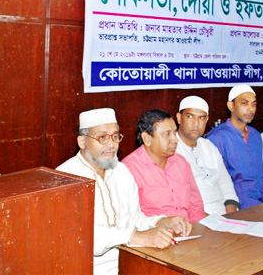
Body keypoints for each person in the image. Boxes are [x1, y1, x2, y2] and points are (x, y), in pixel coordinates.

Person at [56, 108, 191, 275]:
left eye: (115, 136)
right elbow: (79, 235)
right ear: (82, 142)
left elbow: (134, 218)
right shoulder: (64, 179)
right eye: (102, 137)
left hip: (130, 261)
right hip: (87, 268)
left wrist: (163, 222)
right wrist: (137, 236)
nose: (111, 144)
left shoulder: (121, 171)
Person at [123, 109, 206, 223]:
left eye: (174, 133)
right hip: (153, 235)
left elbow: (195, 206)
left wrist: (200, 232)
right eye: (167, 134)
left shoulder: (181, 163)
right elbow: (128, 219)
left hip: (189, 233)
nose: (175, 139)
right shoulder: (129, 169)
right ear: (147, 138)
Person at [207, 85, 263, 209]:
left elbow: (262, 177)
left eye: (253, 104)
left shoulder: (256, 136)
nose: (250, 109)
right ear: (231, 106)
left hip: (261, 204)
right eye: (244, 103)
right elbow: (217, 183)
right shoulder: (217, 138)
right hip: (236, 207)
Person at [175, 96, 240, 215]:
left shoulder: (209, 146)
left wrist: (231, 209)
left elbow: (224, 180)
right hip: (193, 216)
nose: (196, 123)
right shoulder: (171, 148)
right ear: (179, 118)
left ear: (207, 120)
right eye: (190, 117)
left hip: (222, 212)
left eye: (201, 118)